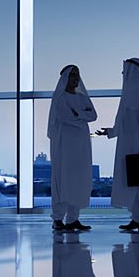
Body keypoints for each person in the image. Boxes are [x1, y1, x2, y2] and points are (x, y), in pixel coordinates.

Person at [96, 58, 139, 232]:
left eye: (125, 71)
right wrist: (111, 132)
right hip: (128, 145)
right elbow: (124, 122)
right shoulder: (129, 94)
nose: (123, 75)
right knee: (132, 182)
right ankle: (138, 218)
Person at [47, 65, 97, 231]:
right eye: (72, 75)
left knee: (78, 180)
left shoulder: (82, 98)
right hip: (64, 145)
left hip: (81, 145)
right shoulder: (60, 98)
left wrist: (77, 113)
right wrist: (81, 114)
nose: (75, 79)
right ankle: (58, 219)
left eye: (77, 75)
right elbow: (65, 116)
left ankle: (73, 219)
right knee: (63, 180)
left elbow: (93, 115)